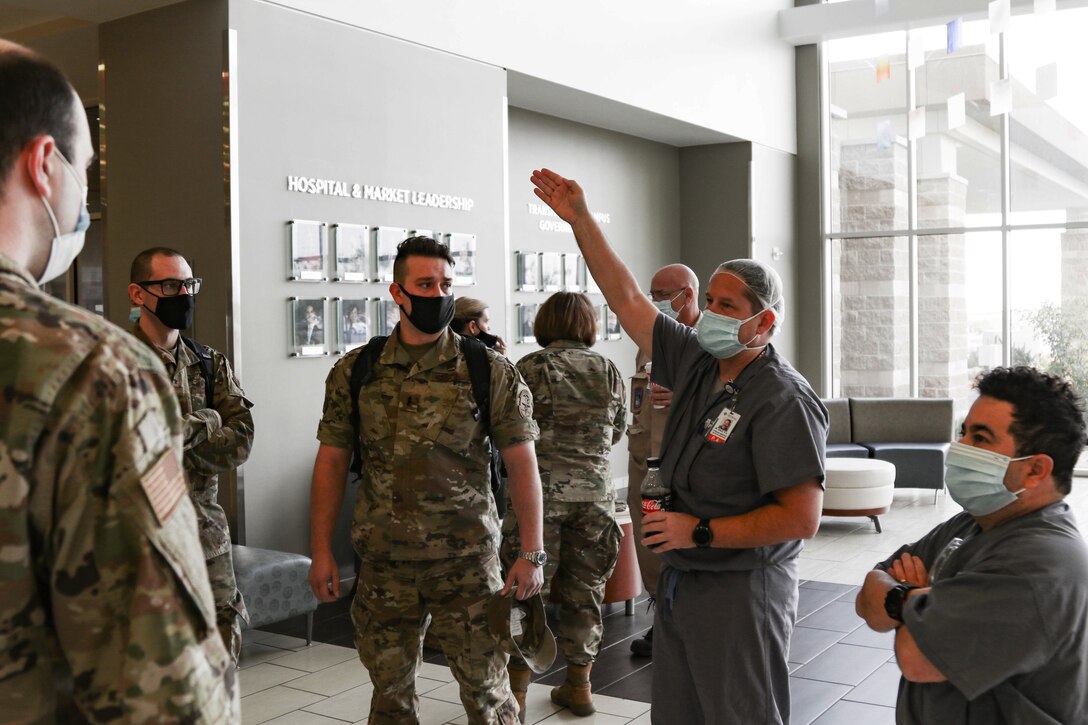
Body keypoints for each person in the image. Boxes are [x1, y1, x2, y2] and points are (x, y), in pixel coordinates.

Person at [530, 168, 826, 725]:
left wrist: (703, 531)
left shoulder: (782, 398)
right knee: (677, 711)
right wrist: (581, 220)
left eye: (727, 306)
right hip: (684, 580)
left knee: (740, 713)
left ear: (764, 322)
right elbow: (625, 295)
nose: (710, 313)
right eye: (709, 300)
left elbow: (802, 517)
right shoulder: (698, 362)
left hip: (742, 590)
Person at [0, 42, 238, 721]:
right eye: (87, 169)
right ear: (45, 165)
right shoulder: (91, 372)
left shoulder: (189, 360)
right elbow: (164, 688)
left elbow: (239, 433)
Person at [307, 236, 546, 724]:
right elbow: (331, 461)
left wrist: (531, 553)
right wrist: (322, 550)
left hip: (466, 564)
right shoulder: (357, 371)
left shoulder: (488, 370)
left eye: (445, 284)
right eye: (425, 284)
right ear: (398, 293)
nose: (438, 294)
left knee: (488, 693)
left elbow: (523, 466)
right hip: (383, 563)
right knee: (389, 697)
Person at [855, 366, 1088, 724]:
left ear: (1036, 469)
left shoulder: (1036, 562)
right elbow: (868, 592)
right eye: (963, 433)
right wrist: (916, 601)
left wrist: (899, 598)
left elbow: (916, 657)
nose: (959, 448)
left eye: (980, 439)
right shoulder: (976, 522)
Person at [502, 291, 627, 719]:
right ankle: (579, 686)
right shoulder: (608, 369)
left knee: (525, 593)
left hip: (539, 499)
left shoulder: (527, 368)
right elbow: (616, 432)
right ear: (587, 324)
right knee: (585, 592)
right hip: (595, 499)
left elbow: (508, 434)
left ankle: (517, 694)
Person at [128, 246, 255, 664]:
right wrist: (206, 419)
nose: (182, 293)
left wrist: (175, 443)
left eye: (188, 284)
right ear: (138, 294)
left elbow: (241, 441)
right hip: (137, 540)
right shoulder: (114, 362)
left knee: (220, 645)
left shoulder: (208, 362)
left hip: (206, 535)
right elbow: (129, 450)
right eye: (169, 285)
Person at [627, 263, 700, 658]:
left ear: (686, 295)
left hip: (684, 470)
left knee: (684, 550)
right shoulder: (649, 342)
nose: (655, 303)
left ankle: (687, 627)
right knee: (652, 546)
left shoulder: (711, 343)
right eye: (651, 295)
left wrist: (689, 396)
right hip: (646, 467)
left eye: (661, 295)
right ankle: (663, 624)